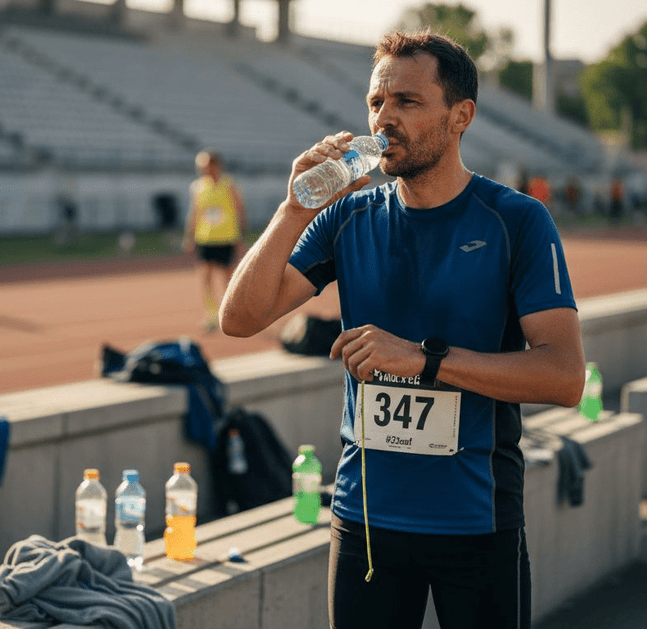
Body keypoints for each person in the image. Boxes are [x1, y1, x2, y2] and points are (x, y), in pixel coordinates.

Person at [220, 30, 585, 629]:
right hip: (365, 521)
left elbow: (565, 376)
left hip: (476, 520)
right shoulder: (347, 215)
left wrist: (426, 360)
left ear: (459, 116)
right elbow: (239, 318)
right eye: (375, 103)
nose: (384, 119)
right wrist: (293, 210)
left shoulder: (516, 221)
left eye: (407, 103)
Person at [183, 150, 247, 332]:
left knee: (228, 279)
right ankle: (211, 315)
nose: (203, 170)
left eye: (206, 166)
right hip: (205, 239)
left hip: (226, 238)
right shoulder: (198, 186)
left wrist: (241, 237)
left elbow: (240, 210)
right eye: (200, 167)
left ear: (216, 165)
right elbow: (194, 213)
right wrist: (190, 236)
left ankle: (231, 313)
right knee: (206, 279)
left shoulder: (229, 185)